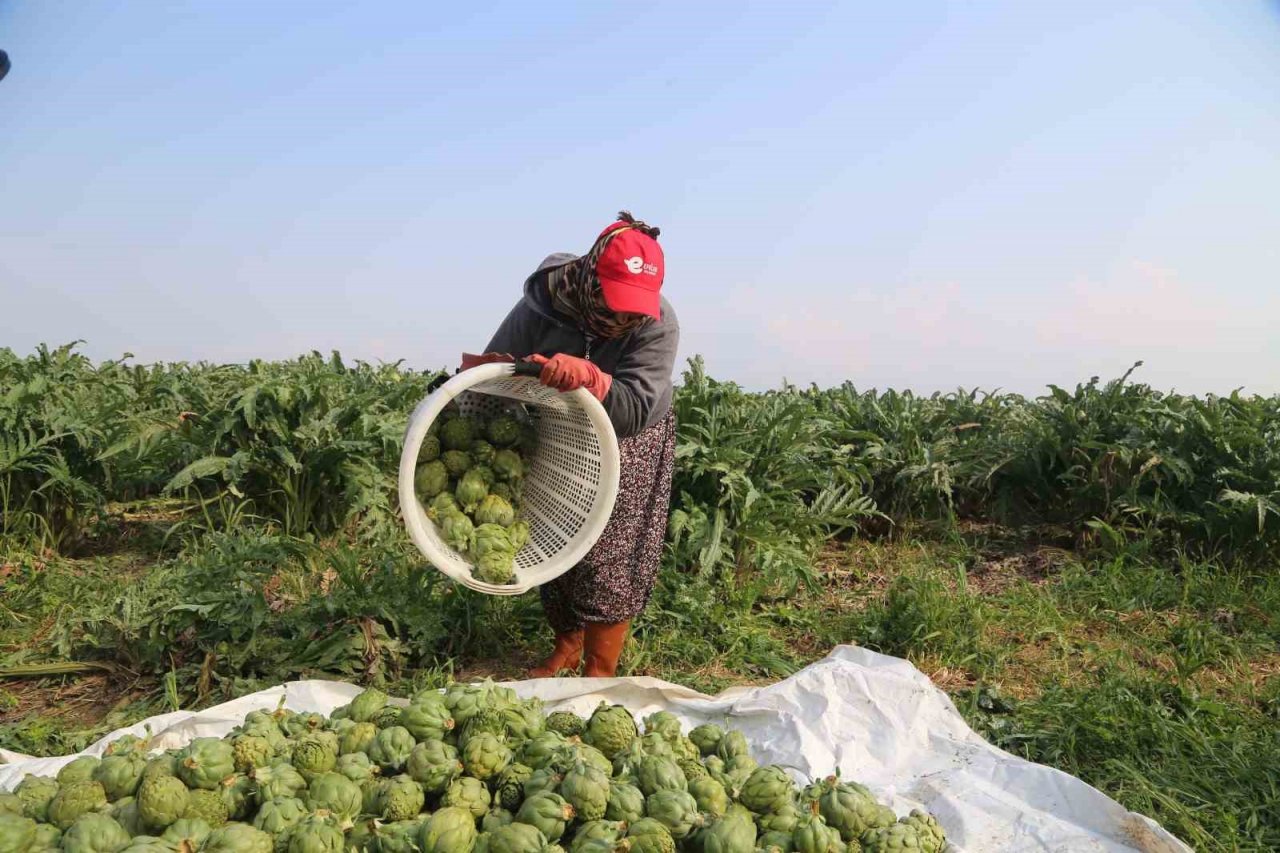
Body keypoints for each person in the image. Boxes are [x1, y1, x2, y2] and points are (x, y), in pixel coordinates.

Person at [460, 211, 679, 678]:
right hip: (558, 424)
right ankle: (567, 644)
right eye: (615, 300)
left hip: (630, 433)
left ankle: (600, 672)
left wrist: (593, 379)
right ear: (590, 276)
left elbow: (635, 408)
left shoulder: (657, 324)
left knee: (608, 550)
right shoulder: (546, 303)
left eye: (634, 306)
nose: (623, 316)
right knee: (555, 534)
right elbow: (493, 372)